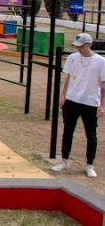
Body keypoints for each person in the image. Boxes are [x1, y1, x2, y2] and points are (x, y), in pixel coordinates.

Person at [51, 33, 105, 178]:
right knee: (68, 131)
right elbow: (68, 77)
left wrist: (102, 105)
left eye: (81, 46)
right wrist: (63, 95)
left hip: (90, 102)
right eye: (77, 46)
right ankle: (64, 160)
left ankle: (89, 165)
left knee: (91, 134)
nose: (79, 49)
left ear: (89, 45)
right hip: (72, 99)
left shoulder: (100, 61)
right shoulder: (72, 58)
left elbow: (103, 85)